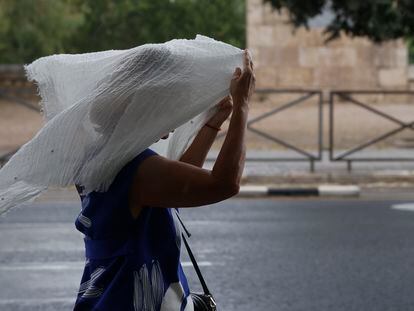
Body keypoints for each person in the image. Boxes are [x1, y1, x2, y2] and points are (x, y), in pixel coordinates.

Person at [73, 49, 255, 311]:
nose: (172, 125)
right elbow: (224, 183)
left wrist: (211, 126)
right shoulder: (133, 167)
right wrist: (243, 108)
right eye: (169, 109)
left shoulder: (104, 156)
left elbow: (171, 189)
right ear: (147, 108)